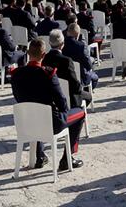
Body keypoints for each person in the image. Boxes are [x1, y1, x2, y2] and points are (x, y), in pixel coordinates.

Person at [11, 38, 86, 172]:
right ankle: (68, 158)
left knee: (36, 109)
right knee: (80, 113)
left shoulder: (16, 74)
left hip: (27, 122)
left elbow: (18, 97)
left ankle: (40, 156)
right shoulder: (48, 74)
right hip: (50, 124)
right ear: (44, 55)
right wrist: (63, 113)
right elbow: (61, 102)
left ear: (28, 53)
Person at [43, 29, 87, 107]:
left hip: (52, 96)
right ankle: (79, 116)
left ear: (49, 43)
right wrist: (80, 88)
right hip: (68, 96)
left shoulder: (45, 58)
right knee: (88, 96)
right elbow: (74, 82)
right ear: (62, 44)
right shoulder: (67, 60)